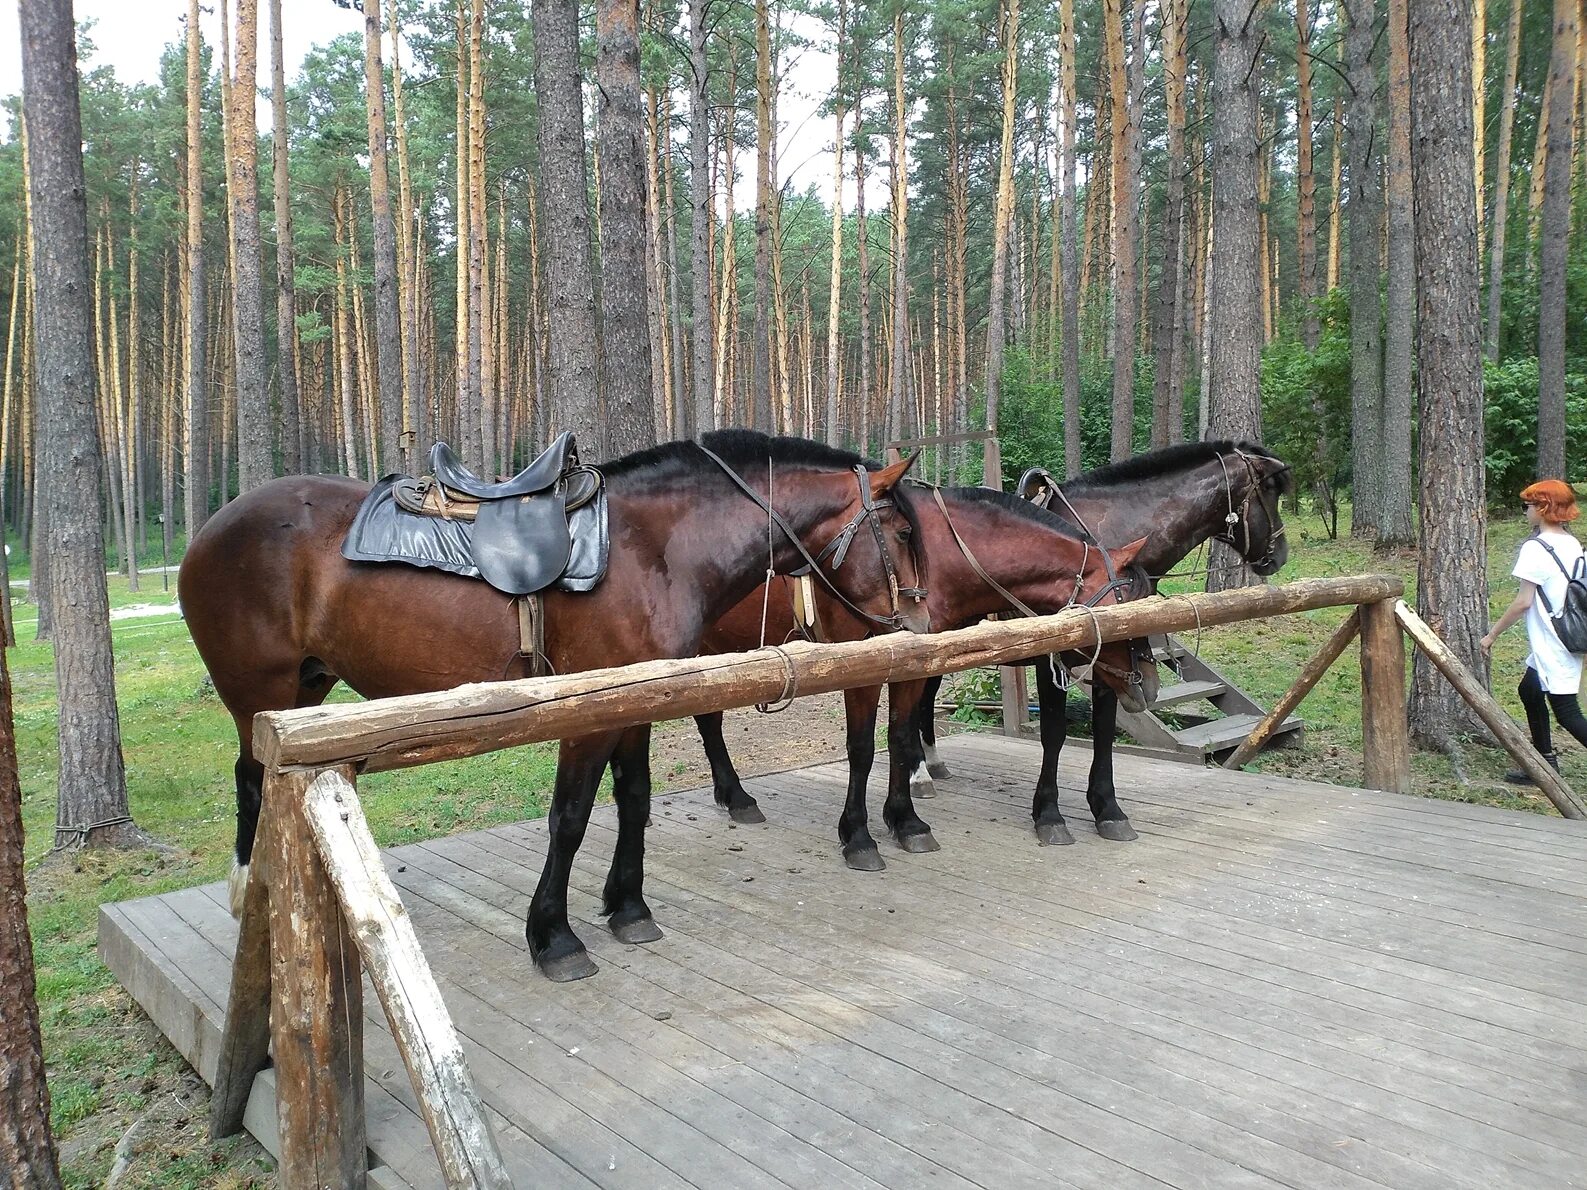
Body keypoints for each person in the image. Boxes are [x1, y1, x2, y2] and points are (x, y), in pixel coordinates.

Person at [1480, 479, 1587, 783]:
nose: (1525, 511)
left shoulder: (1536, 548)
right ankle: (1544, 762)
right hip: (1560, 638)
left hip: (1555, 642)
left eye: (1527, 505)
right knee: (1529, 690)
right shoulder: (1571, 543)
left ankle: (1545, 763)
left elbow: (1523, 603)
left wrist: (1492, 635)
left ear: (1543, 508)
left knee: (1568, 714)